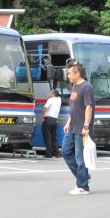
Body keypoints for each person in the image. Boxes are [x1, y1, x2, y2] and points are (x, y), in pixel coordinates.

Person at [62, 62, 95, 195]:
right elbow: (74, 108)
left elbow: (89, 107)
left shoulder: (86, 87)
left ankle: (83, 187)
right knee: (65, 152)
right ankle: (84, 176)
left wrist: (86, 126)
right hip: (72, 126)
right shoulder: (75, 86)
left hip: (81, 128)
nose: (68, 76)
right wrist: (68, 122)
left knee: (80, 158)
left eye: (70, 73)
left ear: (77, 73)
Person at [42, 89, 61, 158]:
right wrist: (49, 96)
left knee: (48, 137)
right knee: (54, 137)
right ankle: (57, 153)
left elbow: (45, 107)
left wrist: (44, 115)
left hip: (48, 119)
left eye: (50, 93)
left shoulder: (50, 100)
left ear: (53, 94)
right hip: (55, 120)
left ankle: (49, 154)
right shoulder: (59, 99)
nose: (49, 94)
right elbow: (56, 95)